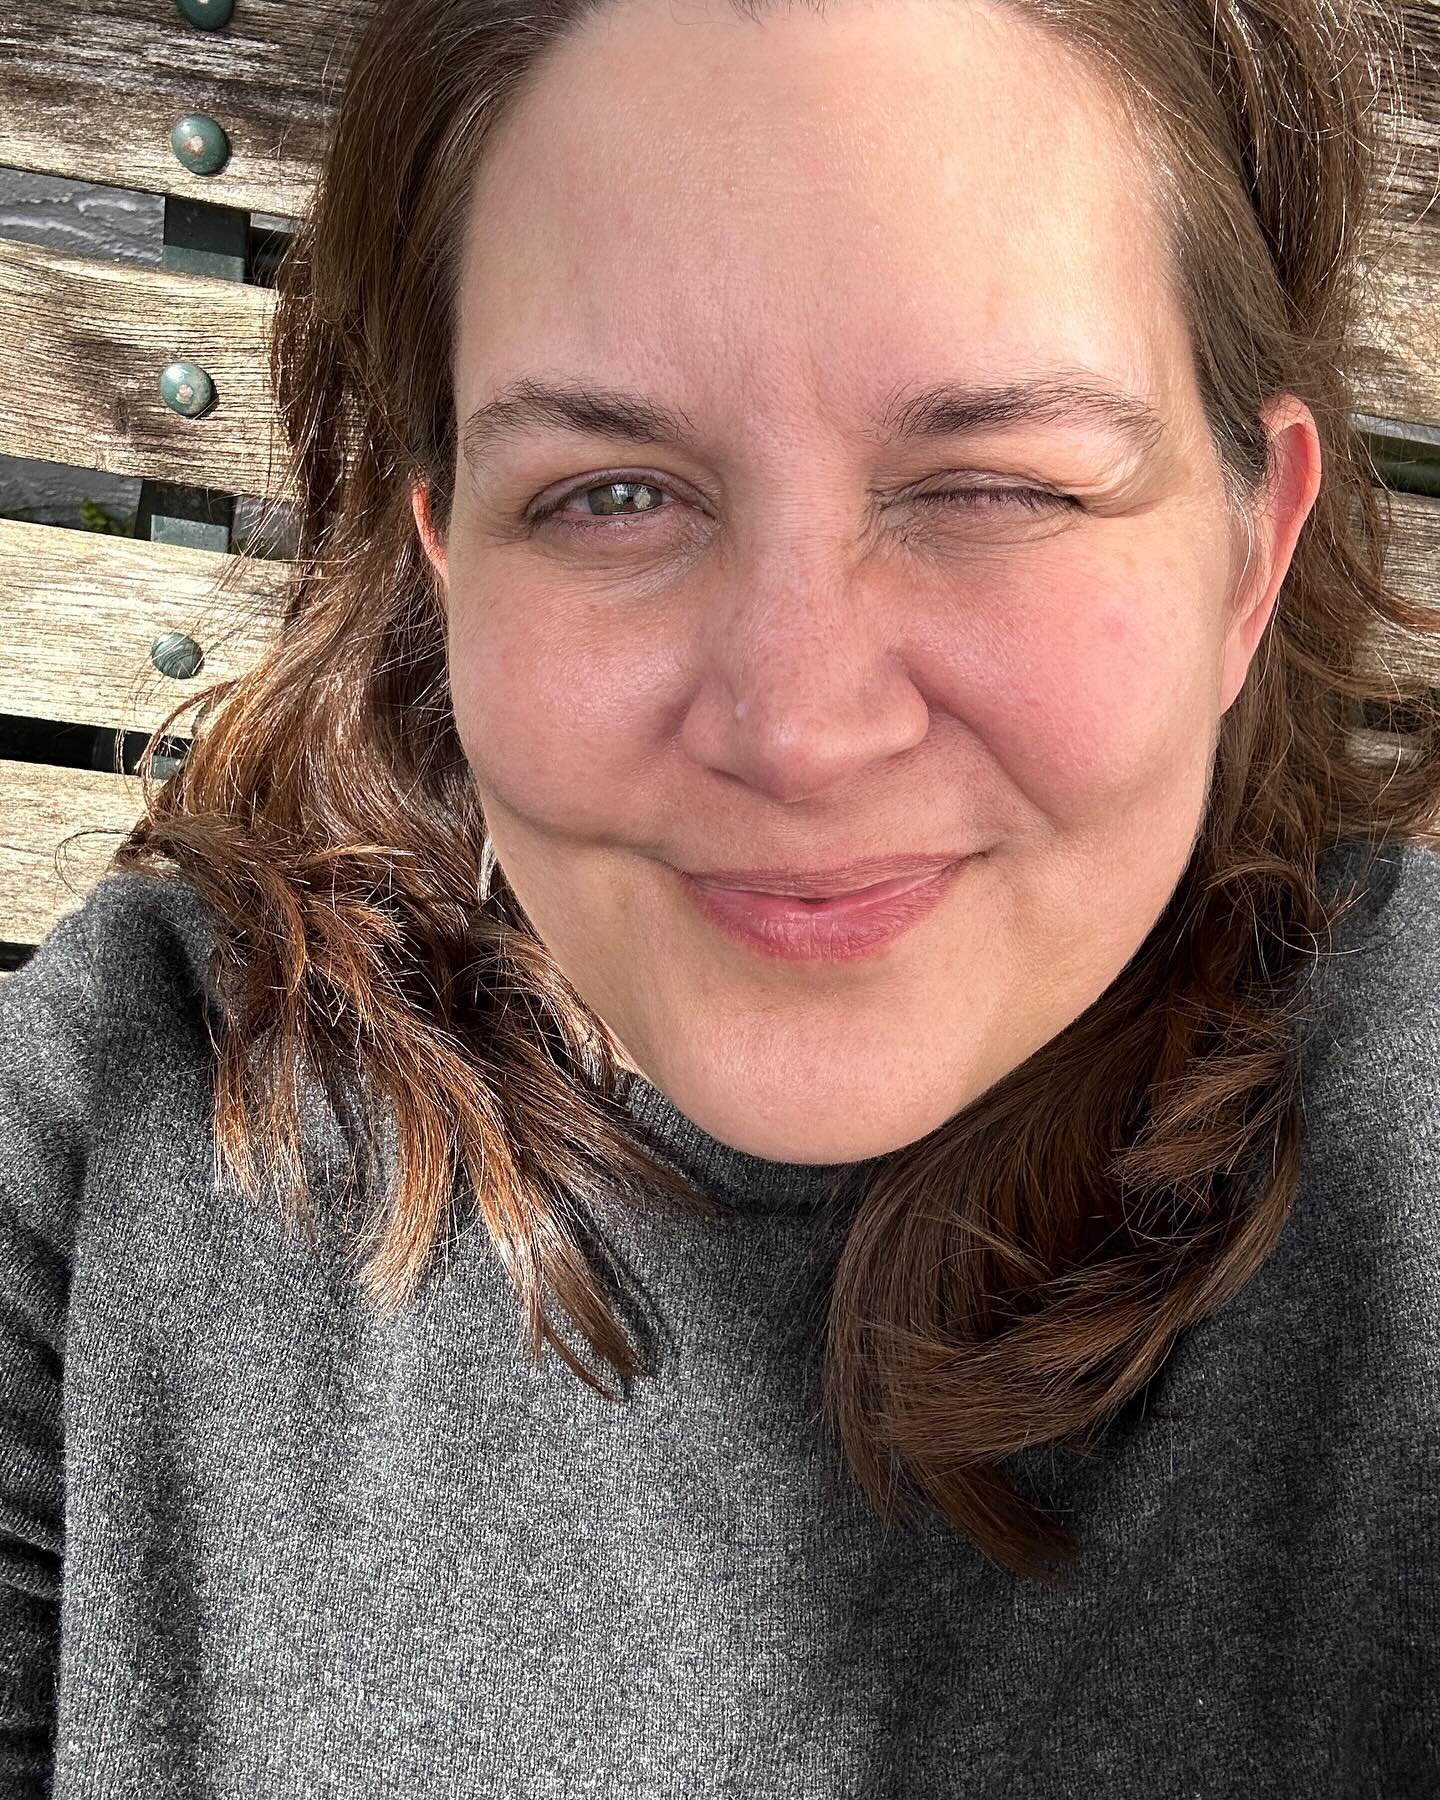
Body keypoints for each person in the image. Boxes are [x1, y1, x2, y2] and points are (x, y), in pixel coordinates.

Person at [1, 0, 1436, 1792]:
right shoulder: (118, 1119)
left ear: (1250, 547)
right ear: (450, 562)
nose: (802, 725)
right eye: (611, 497)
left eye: (991, 485)